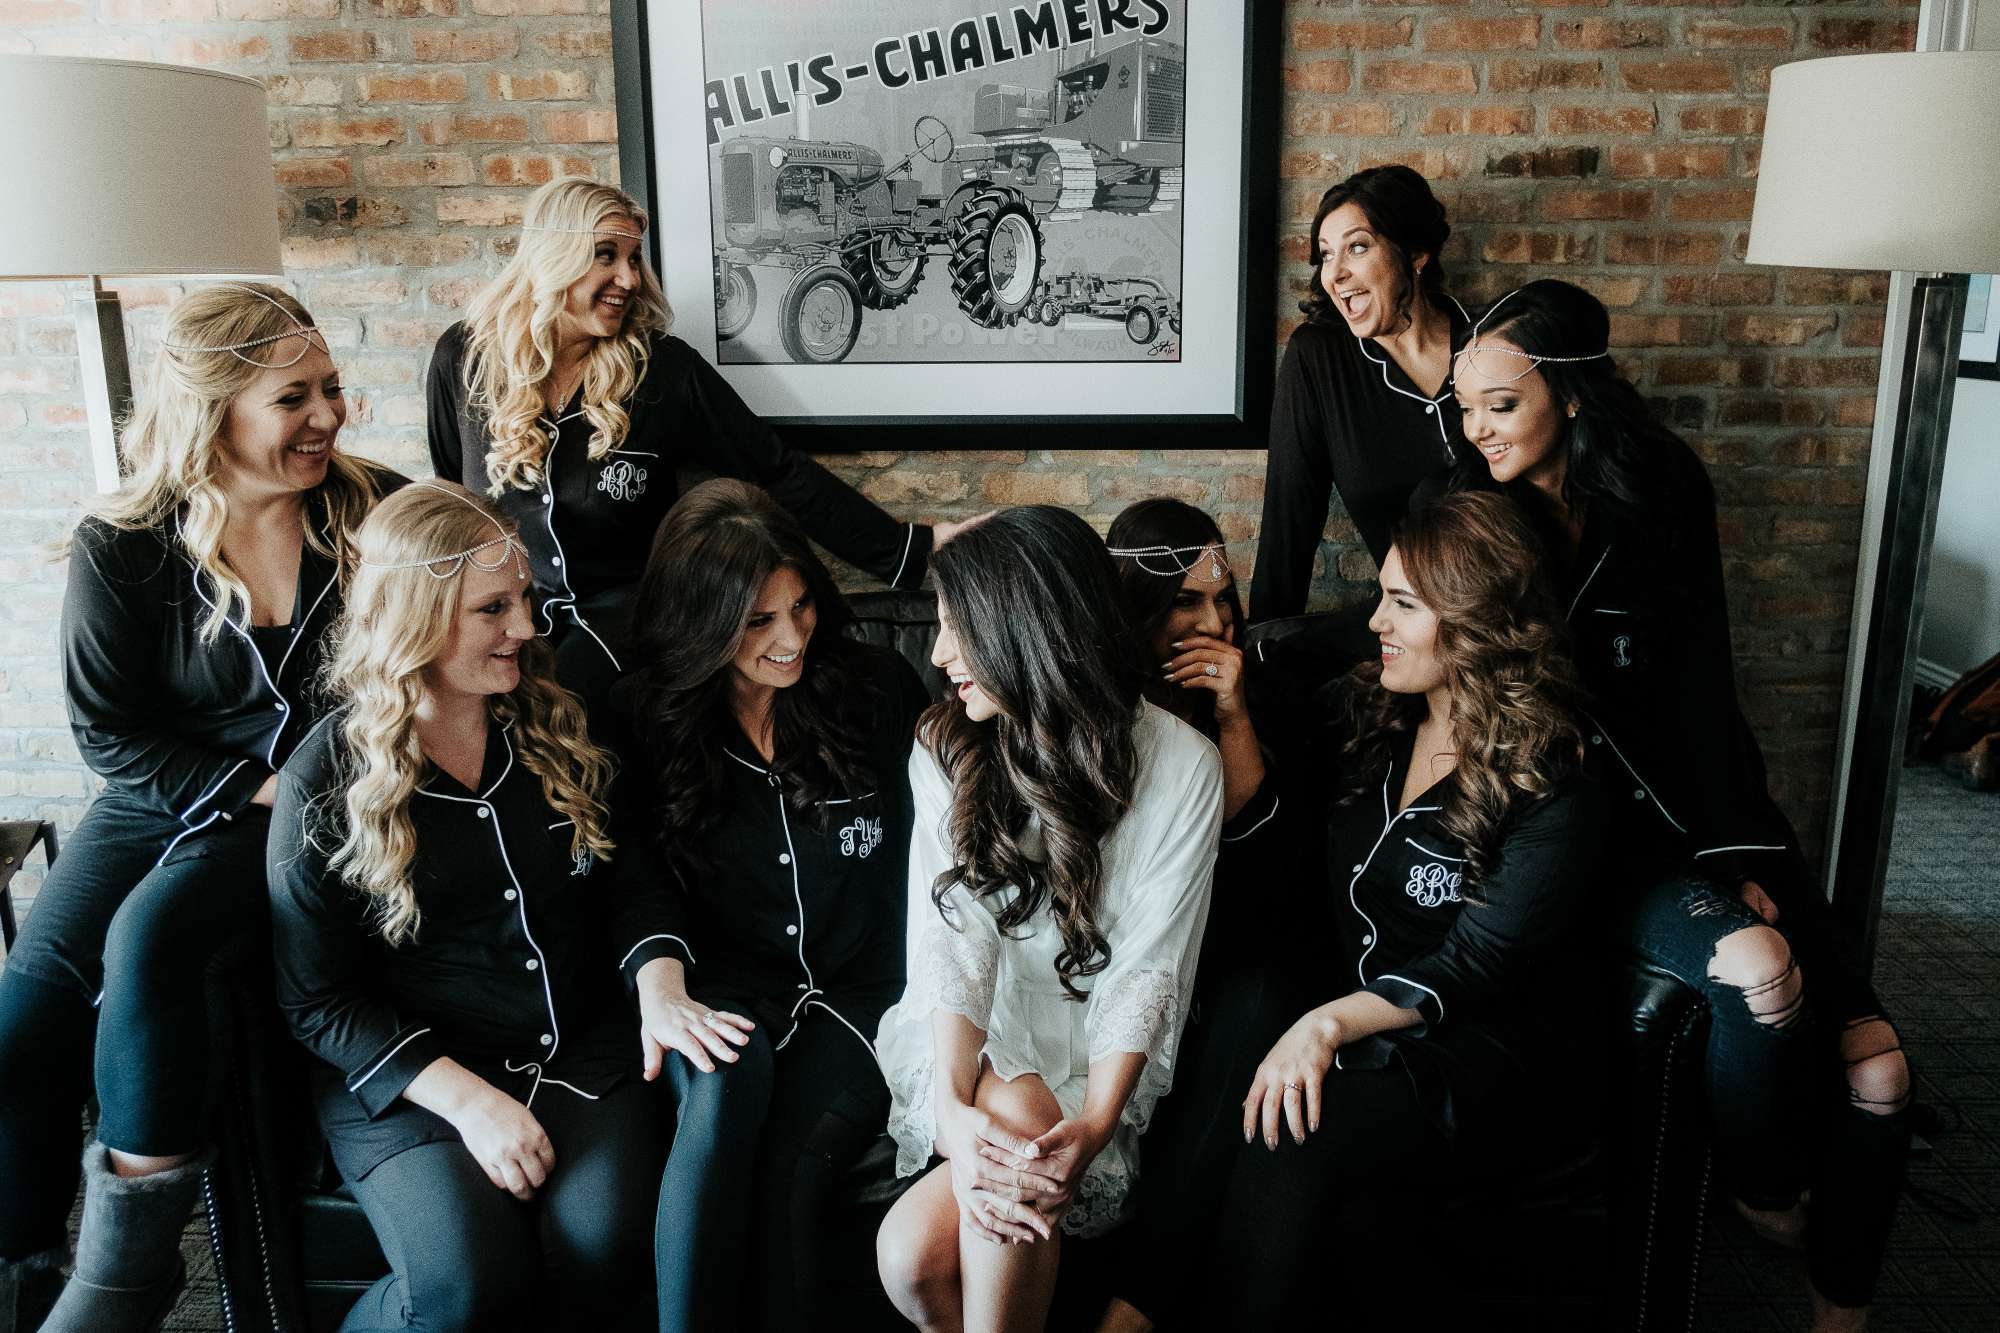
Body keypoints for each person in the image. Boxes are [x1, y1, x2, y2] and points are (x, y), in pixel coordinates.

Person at [1447, 278, 1910, 1330]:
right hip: (1586, 838)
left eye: (1499, 405)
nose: (1475, 430)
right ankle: (1765, 1184)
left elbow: (1704, 697)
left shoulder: (1660, 488)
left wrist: (1736, 850)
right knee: (1757, 971)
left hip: (1706, 811)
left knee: (1878, 1064)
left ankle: (1840, 1306)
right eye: (1464, 407)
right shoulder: (1474, 513)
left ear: (1566, 393)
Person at [0, 285, 397, 1333]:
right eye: (293, 397)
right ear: (212, 409)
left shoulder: (373, 516)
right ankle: (22, 1277)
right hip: (156, 802)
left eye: (331, 389)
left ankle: (126, 1280)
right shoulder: (124, 544)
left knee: (151, 940)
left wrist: (293, 791)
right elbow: (108, 736)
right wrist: (240, 786)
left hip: (308, 818)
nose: (329, 415)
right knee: (18, 1025)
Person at [269, 481, 696, 1330]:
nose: (528, 628)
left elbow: (630, 878)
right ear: (417, 616)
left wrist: (659, 980)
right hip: (417, 1082)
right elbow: (316, 999)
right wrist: (469, 1102)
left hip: (577, 1051)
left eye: (526, 599)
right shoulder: (326, 779)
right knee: (468, 1284)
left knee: (609, 1244)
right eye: (493, 608)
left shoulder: (555, 720)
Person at [1203, 490, 1604, 1324]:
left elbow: (1477, 962)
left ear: (1475, 621)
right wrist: (1233, 703)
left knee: (1290, 1134)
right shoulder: (1370, 714)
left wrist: (1326, 1025)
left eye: (1403, 604)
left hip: (1475, 1050)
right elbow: (1277, 850)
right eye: (1382, 594)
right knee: (1241, 1023)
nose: (1374, 619)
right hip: (1358, 1021)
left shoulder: (1552, 774)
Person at [426, 176, 976, 705]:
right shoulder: (463, 361)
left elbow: (776, 471)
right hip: (508, 628)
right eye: (606, 255)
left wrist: (912, 547)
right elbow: (452, 508)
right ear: (552, 257)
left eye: (634, 258)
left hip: (627, 632)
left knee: (573, 702)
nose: (630, 279)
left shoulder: (664, 373)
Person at [872, 506, 1223, 1332]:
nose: (937, 654)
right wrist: (954, 1107)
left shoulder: (1183, 767)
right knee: (914, 1253)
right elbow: (955, 935)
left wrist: (1098, 1123)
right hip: (974, 1036)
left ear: (1024, 628)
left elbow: (1150, 965)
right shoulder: (946, 746)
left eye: (959, 629)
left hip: (1095, 1057)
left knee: (912, 1256)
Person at [605, 479, 931, 1332]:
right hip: (724, 986)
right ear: (701, 620)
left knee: (794, 1163)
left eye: (800, 607)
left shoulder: (878, 689)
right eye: (757, 621)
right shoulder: (646, 718)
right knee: (718, 1098)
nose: (791, 638)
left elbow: (953, 842)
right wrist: (661, 985)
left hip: (865, 997)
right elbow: (632, 871)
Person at [1096, 500, 1291, 1333]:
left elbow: (1253, 847)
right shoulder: (1101, 690)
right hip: (1122, 937)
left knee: (1257, 1008)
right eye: (1186, 602)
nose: (1213, 621)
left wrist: (1234, 714)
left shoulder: (1258, 683)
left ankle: (1139, 1302)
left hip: (1234, 936)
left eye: (1223, 599)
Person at [1250, 165, 1482, 640]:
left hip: (1514, 627)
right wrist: (1259, 660)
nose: (1334, 274)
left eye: (1357, 247)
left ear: (1415, 253)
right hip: (1405, 635)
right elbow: (1287, 528)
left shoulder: (1490, 343)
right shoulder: (1319, 358)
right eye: (1325, 254)